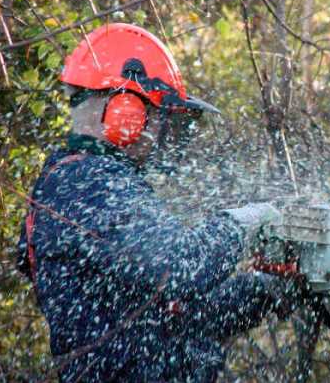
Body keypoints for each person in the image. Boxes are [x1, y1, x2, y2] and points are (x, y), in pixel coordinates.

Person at [17, 23, 303, 382]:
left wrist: (267, 289)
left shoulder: (87, 183)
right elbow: (184, 266)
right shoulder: (86, 185)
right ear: (125, 111)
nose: (162, 133)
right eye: (157, 117)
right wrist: (243, 222)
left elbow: (181, 315)